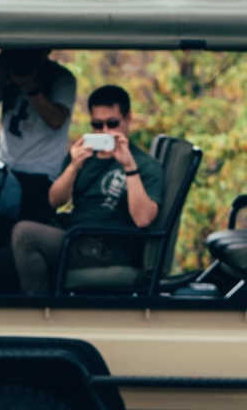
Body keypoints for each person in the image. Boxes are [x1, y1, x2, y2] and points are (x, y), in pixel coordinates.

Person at [12, 84, 164, 297]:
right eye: (97, 125)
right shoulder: (84, 156)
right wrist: (74, 166)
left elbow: (143, 219)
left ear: (128, 118)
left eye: (113, 123)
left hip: (107, 247)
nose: (105, 131)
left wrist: (129, 168)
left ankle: (40, 308)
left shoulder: (145, 165)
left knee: (25, 234)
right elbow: (55, 200)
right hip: (75, 237)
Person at [0, 47, 76, 252]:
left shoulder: (61, 77)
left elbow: (56, 120)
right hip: (7, 170)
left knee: (28, 243)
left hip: (41, 173)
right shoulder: (6, 72)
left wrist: (31, 86)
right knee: (0, 242)